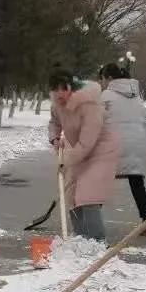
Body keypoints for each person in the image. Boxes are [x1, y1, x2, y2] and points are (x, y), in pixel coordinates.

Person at [49, 69, 120, 242]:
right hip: (78, 151)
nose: (59, 94)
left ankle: (97, 241)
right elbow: (55, 122)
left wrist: (65, 160)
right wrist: (55, 138)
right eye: (54, 89)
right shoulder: (57, 104)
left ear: (70, 88)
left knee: (87, 196)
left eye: (62, 89)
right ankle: (81, 239)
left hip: (101, 151)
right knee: (72, 196)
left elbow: (88, 142)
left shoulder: (89, 105)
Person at [99, 62, 146, 234]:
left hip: (114, 145)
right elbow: (144, 120)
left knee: (99, 181)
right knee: (137, 183)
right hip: (137, 144)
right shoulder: (137, 96)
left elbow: (97, 121)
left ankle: (90, 220)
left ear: (108, 78)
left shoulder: (106, 96)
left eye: (102, 79)